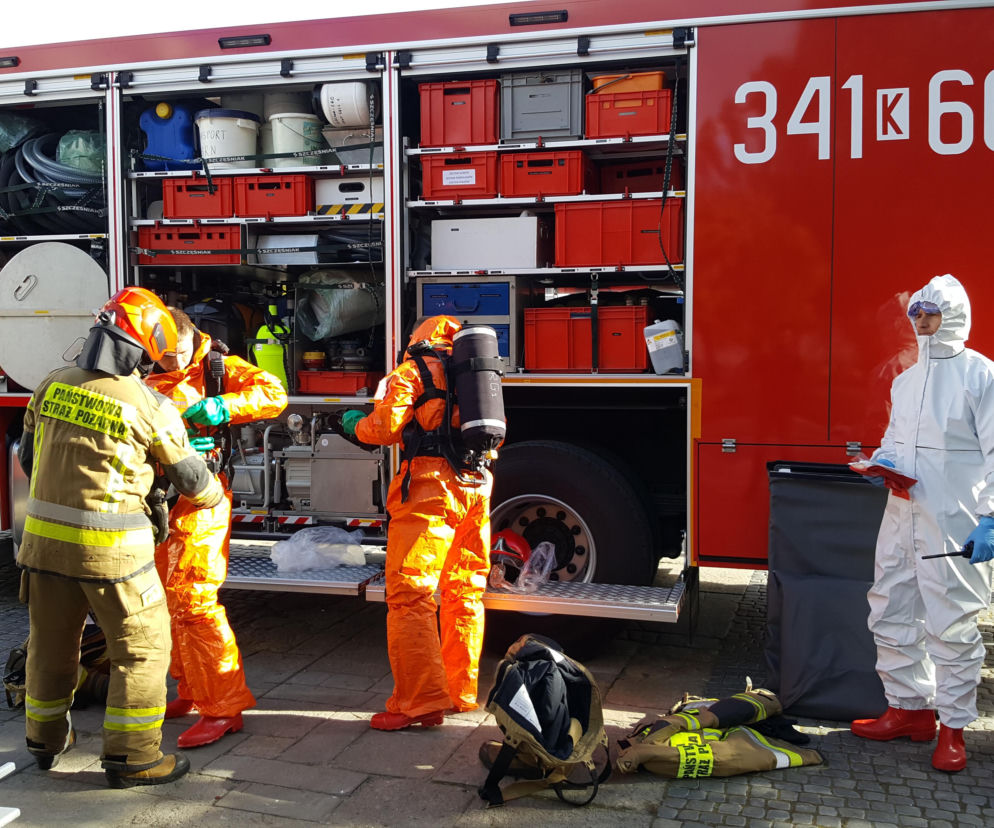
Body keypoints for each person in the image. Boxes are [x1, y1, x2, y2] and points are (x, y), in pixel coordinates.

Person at [16, 287, 224, 788]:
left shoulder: (51, 385)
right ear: (142, 349)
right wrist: (213, 490)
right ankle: (133, 758)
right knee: (143, 650)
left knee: (49, 644)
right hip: (114, 559)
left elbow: (29, 458)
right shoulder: (148, 404)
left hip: (42, 549)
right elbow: (194, 483)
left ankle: (44, 742)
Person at [850, 274, 994, 773]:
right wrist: (881, 465)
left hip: (953, 520)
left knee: (950, 624)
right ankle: (908, 709)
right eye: (916, 312)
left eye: (931, 312)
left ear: (954, 313)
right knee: (890, 606)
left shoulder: (982, 376)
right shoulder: (907, 378)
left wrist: (991, 517)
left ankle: (952, 729)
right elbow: (895, 440)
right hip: (902, 512)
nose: (921, 321)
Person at [338, 316, 495, 731]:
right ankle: (460, 691)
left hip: (430, 489)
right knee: (465, 590)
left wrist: (353, 423)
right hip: (475, 487)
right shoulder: (475, 374)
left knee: (410, 595)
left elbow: (384, 427)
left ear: (416, 340)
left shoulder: (411, 371)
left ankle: (419, 703)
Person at [146, 307, 287, 748]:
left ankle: (222, 708)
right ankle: (189, 689)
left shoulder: (216, 366)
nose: (174, 363)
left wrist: (221, 405)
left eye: (180, 353)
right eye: (165, 357)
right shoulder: (142, 370)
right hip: (160, 499)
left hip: (202, 496)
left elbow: (273, 394)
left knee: (194, 600)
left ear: (194, 338)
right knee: (169, 600)